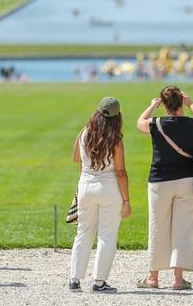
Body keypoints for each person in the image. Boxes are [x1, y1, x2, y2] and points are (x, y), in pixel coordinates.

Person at [136, 85, 193, 290]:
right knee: (183, 230)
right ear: (180, 103)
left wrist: (152, 106)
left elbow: (139, 122)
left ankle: (153, 277)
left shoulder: (156, 123)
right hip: (187, 180)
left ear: (165, 104)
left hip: (159, 181)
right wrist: (191, 103)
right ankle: (178, 279)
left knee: (157, 227)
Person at [69, 97, 131, 293]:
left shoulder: (85, 132)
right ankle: (99, 281)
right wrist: (127, 201)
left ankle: (74, 278)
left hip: (86, 185)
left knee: (83, 233)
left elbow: (75, 158)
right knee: (107, 236)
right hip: (108, 188)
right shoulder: (116, 140)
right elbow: (121, 172)